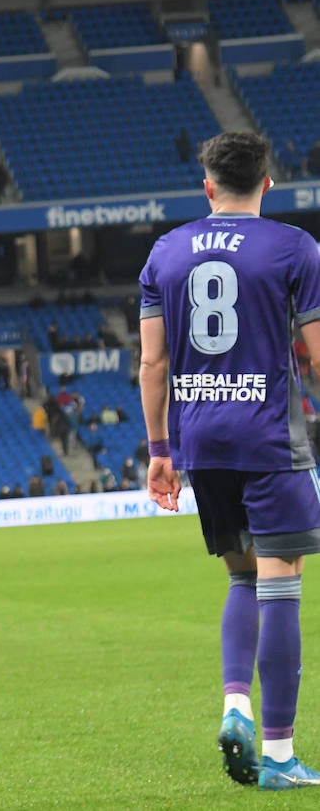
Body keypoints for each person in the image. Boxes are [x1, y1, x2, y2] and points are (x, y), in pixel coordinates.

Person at [139, 131, 320, 791]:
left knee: (242, 581)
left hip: (202, 441)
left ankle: (235, 704)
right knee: (282, 585)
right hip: (269, 438)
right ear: (268, 183)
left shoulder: (165, 252)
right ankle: (277, 753)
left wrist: (161, 451)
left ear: (207, 186)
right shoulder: (295, 248)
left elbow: (152, 363)